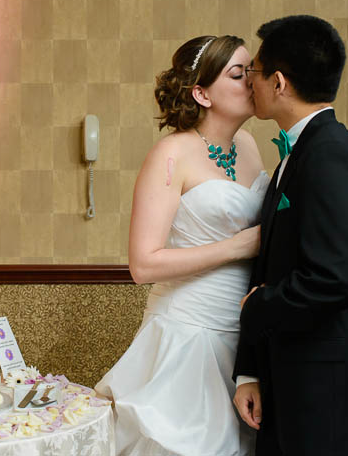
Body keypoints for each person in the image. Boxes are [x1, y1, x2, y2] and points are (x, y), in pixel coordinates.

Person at [232, 15, 348, 456]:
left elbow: (335, 277)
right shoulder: (300, 149)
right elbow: (273, 260)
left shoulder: (332, 152)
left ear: (279, 82)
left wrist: (259, 306)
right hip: (295, 379)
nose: (250, 82)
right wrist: (249, 370)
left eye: (254, 72)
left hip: (330, 393)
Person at [96, 35, 267, 456]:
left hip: (242, 334)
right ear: (201, 92)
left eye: (252, 70)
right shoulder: (171, 153)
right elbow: (143, 264)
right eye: (237, 73)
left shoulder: (248, 146)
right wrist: (237, 247)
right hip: (187, 333)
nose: (251, 80)